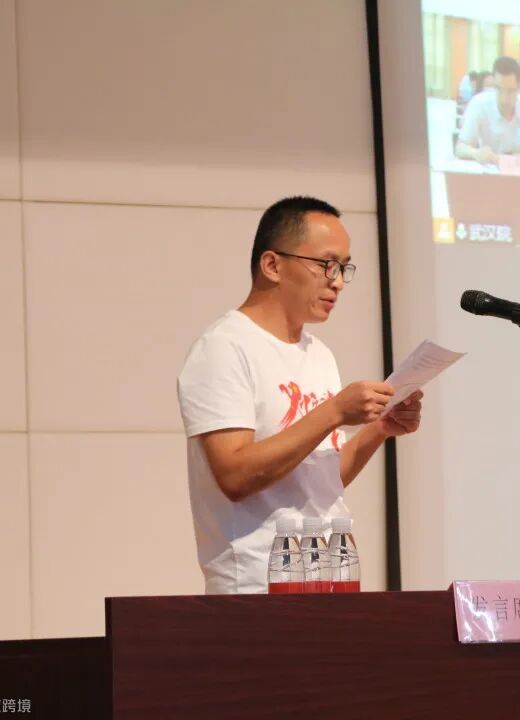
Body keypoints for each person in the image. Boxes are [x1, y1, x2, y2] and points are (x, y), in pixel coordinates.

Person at [177, 196, 424, 594]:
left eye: (343, 268)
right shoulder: (224, 347)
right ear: (272, 265)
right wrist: (334, 412)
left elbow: (321, 479)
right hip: (257, 587)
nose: (337, 281)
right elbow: (235, 475)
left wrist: (379, 429)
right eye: (326, 264)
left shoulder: (318, 353)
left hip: (329, 577)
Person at [455, 56, 520, 164]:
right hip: (488, 171)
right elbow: (460, 147)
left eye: (511, 91)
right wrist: (476, 153)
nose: (504, 99)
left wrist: (507, 159)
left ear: (519, 88)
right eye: (499, 89)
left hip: (518, 171)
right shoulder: (479, 103)